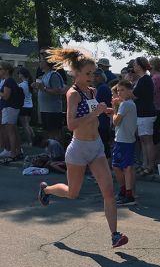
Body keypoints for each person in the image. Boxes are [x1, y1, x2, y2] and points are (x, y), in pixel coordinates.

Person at [38, 48, 128, 248]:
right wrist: (95, 113)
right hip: (78, 148)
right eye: (87, 73)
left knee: (108, 192)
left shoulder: (93, 92)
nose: (92, 77)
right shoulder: (73, 94)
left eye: (93, 73)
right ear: (76, 73)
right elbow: (71, 124)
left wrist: (107, 110)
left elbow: (95, 114)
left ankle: (115, 235)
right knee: (73, 193)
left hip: (96, 147)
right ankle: (47, 190)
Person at [112, 80, 137, 206]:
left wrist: (114, 109)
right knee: (121, 166)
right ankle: (126, 191)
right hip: (125, 139)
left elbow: (115, 121)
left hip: (123, 140)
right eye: (118, 91)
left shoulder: (125, 104)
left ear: (129, 91)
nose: (119, 93)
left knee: (124, 167)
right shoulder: (128, 104)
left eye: (122, 90)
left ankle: (127, 193)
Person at [32, 53, 65, 141]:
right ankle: (51, 152)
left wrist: (43, 88)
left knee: (56, 132)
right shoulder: (43, 76)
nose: (39, 62)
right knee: (48, 132)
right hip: (45, 109)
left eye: (41, 60)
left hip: (53, 110)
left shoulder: (53, 75)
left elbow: (57, 91)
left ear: (47, 62)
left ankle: (58, 153)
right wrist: (36, 87)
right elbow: (42, 90)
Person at [133, 56, 156, 175]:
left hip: (146, 113)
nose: (134, 66)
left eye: (136, 64)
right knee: (143, 140)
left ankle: (150, 166)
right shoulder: (142, 79)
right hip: (142, 113)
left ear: (140, 66)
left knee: (147, 140)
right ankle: (144, 164)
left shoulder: (145, 79)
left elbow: (135, 95)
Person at [0, 61, 22, 160]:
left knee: (10, 131)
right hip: (9, 108)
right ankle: (16, 151)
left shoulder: (8, 81)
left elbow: (5, 96)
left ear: (6, 70)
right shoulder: (8, 81)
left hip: (9, 108)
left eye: (0, 69)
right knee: (11, 130)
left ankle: (13, 153)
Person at [149, 57, 160, 165]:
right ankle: (159, 160)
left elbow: (151, 93)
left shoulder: (155, 78)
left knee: (153, 136)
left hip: (154, 107)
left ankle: (157, 160)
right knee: (156, 135)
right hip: (159, 107)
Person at [94, 68, 112, 161]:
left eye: (96, 76)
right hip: (99, 120)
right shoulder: (99, 88)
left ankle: (107, 166)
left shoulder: (103, 88)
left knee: (103, 143)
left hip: (103, 120)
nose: (94, 78)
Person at [18, 67, 35, 147]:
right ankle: (33, 140)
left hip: (23, 107)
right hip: (30, 106)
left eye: (19, 73)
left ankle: (29, 142)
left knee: (25, 125)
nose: (18, 75)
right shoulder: (30, 84)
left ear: (22, 75)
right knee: (28, 124)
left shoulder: (21, 85)